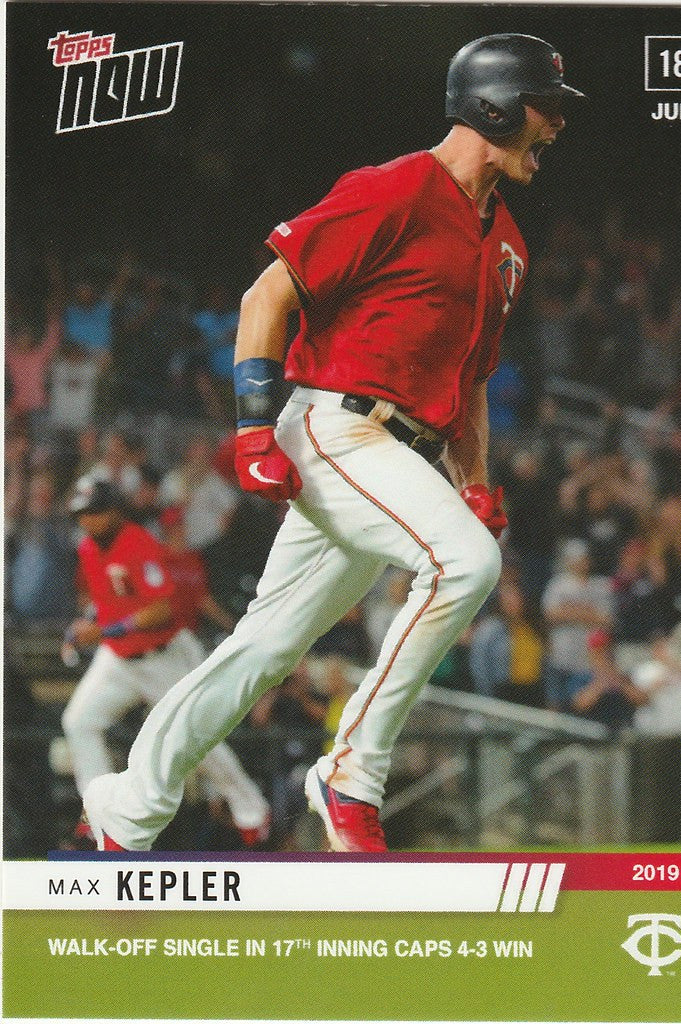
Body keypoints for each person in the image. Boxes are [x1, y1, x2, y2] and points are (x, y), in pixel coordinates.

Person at [83, 33, 584, 853]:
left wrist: (475, 479)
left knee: (264, 647)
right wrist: (251, 424)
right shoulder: (393, 188)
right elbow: (266, 294)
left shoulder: (507, 247)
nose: (557, 126)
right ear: (492, 104)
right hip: (335, 425)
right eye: (547, 107)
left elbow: (470, 381)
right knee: (464, 564)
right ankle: (350, 771)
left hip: (398, 455)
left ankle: (128, 804)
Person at [63, 478, 270, 849]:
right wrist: (87, 624)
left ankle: (253, 813)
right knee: (79, 721)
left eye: (94, 512)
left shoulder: (138, 543)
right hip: (119, 658)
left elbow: (162, 610)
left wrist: (105, 628)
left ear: (113, 510)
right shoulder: (88, 548)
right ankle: (97, 813)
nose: (87, 521)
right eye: (81, 514)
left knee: (195, 739)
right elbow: (106, 597)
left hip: (163, 656)